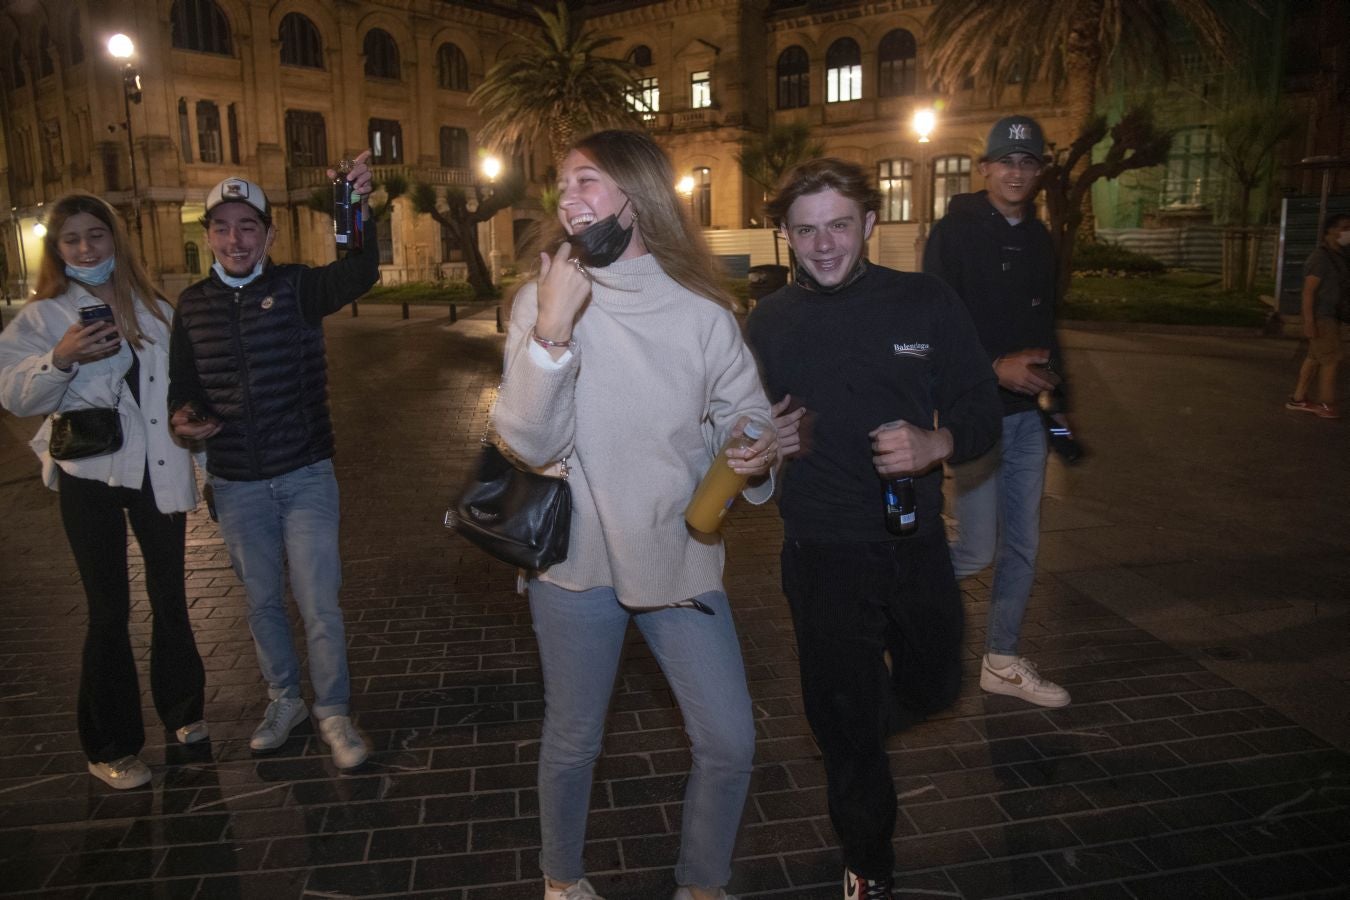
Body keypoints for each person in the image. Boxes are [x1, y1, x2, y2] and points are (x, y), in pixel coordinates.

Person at [492, 129, 776, 900]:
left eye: (587, 180)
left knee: (728, 740)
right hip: (574, 564)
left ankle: (702, 885)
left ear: (638, 194)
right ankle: (561, 880)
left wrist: (752, 448)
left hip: (676, 555)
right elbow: (525, 440)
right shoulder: (544, 298)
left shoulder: (703, 314)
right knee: (574, 739)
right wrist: (552, 328)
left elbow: (742, 417)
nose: (567, 197)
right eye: (563, 183)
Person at [746, 159, 1001, 900]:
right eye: (805, 230)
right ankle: (869, 866)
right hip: (821, 551)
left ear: (870, 224)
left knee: (938, 681)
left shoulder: (926, 303)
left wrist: (936, 444)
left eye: (838, 225)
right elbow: (737, 439)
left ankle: (842, 728)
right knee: (853, 726)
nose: (822, 245)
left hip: (914, 542)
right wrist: (765, 447)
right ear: (786, 235)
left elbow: (981, 409)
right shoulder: (768, 323)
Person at [167, 154, 379, 770]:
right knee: (261, 602)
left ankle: (333, 711)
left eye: (248, 226)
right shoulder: (193, 305)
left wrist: (354, 209)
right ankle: (283, 699)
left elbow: (360, 270)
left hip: (305, 473)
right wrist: (185, 416)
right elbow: (184, 385)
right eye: (223, 227)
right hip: (236, 483)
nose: (236, 239)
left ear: (268, 234)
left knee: (318, 600)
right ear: (207, 233)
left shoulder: (296, 288)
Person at [0, 193, 207, 790]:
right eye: (73, 240)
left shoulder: (155, 309)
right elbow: (15, 399)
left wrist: (203, 445)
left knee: (171, 596)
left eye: (96, 235)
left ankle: (184, 712)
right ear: (57, 250)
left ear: (115, 239)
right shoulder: (41, 318)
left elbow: (181, 389)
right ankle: (110, 743)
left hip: (158, 470)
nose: (87, 248)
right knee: (108, 609)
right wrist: (60, 360)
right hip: (89, 474)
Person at [923, 115, 1074, 710]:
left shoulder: (1040, 240)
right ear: (983, 168)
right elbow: (935, 329)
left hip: (1029, 421)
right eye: (1005, 160)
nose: (1016, 171)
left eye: (1027, 161)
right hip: (977, 417)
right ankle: (897, 602)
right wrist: (992, 370)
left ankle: (1002, 661)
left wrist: (1062, 423)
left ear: (1038, 172)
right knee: (976, 549)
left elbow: (1049, 337)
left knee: (1024, 547)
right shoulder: (953, 234)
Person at [1285, 212, 1349, 419]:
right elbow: (1308, 291)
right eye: (1344, 228)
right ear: (1330, 230)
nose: (1347, 232)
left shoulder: (1338, 256)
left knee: (1314, 358)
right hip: (1323, 317)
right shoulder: (1320, 258)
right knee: (1331, 359)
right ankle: (1326, 404)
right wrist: (1309, 321)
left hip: (1331, 315)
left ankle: (1298, 398)